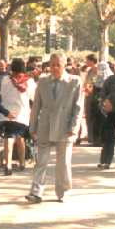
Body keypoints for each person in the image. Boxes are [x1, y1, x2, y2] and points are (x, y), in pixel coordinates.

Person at [25, 54, 82, 203]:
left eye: (58, 65)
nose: (55, 68)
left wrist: (74, 127)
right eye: (52, 65)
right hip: (45, 126)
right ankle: (36, 192)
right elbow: (36, 105)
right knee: (41, 161)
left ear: (64, 65)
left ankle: (63, 191)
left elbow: (78, 107)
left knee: (63, 162)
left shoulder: (74, 81)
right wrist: (33, 127)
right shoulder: (43, 81)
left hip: (65, 127)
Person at [0, 58, 36, 176]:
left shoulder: (5, 79)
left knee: (8, 137)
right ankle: (22, 163)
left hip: (6, 113)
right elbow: (34, 97)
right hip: (21, 114)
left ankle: (8, 163)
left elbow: (1, 94)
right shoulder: (28, 81)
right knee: (20, 138)